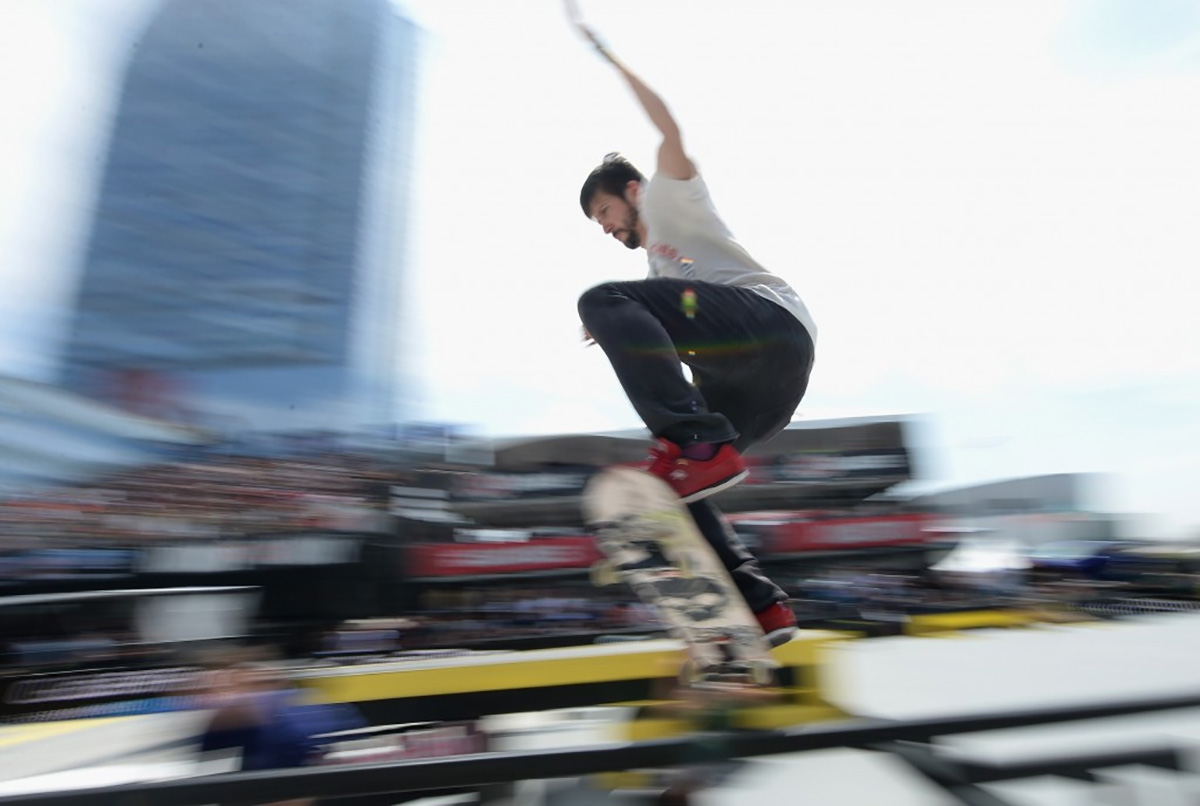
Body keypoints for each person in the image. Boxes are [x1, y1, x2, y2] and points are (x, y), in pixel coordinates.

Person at [566, 1, 817, 646]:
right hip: (762, 392)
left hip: (773, 324)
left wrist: (607, 55)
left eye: (604, 209)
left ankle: (699, 444)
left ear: (632, 190)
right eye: (598, 221)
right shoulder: (655, 282)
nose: (606, 226)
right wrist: (625, 320)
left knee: (600, 299)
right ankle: (761, 606)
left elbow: (667, 124)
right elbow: (656, 326)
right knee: (682, 491)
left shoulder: (673, 197)